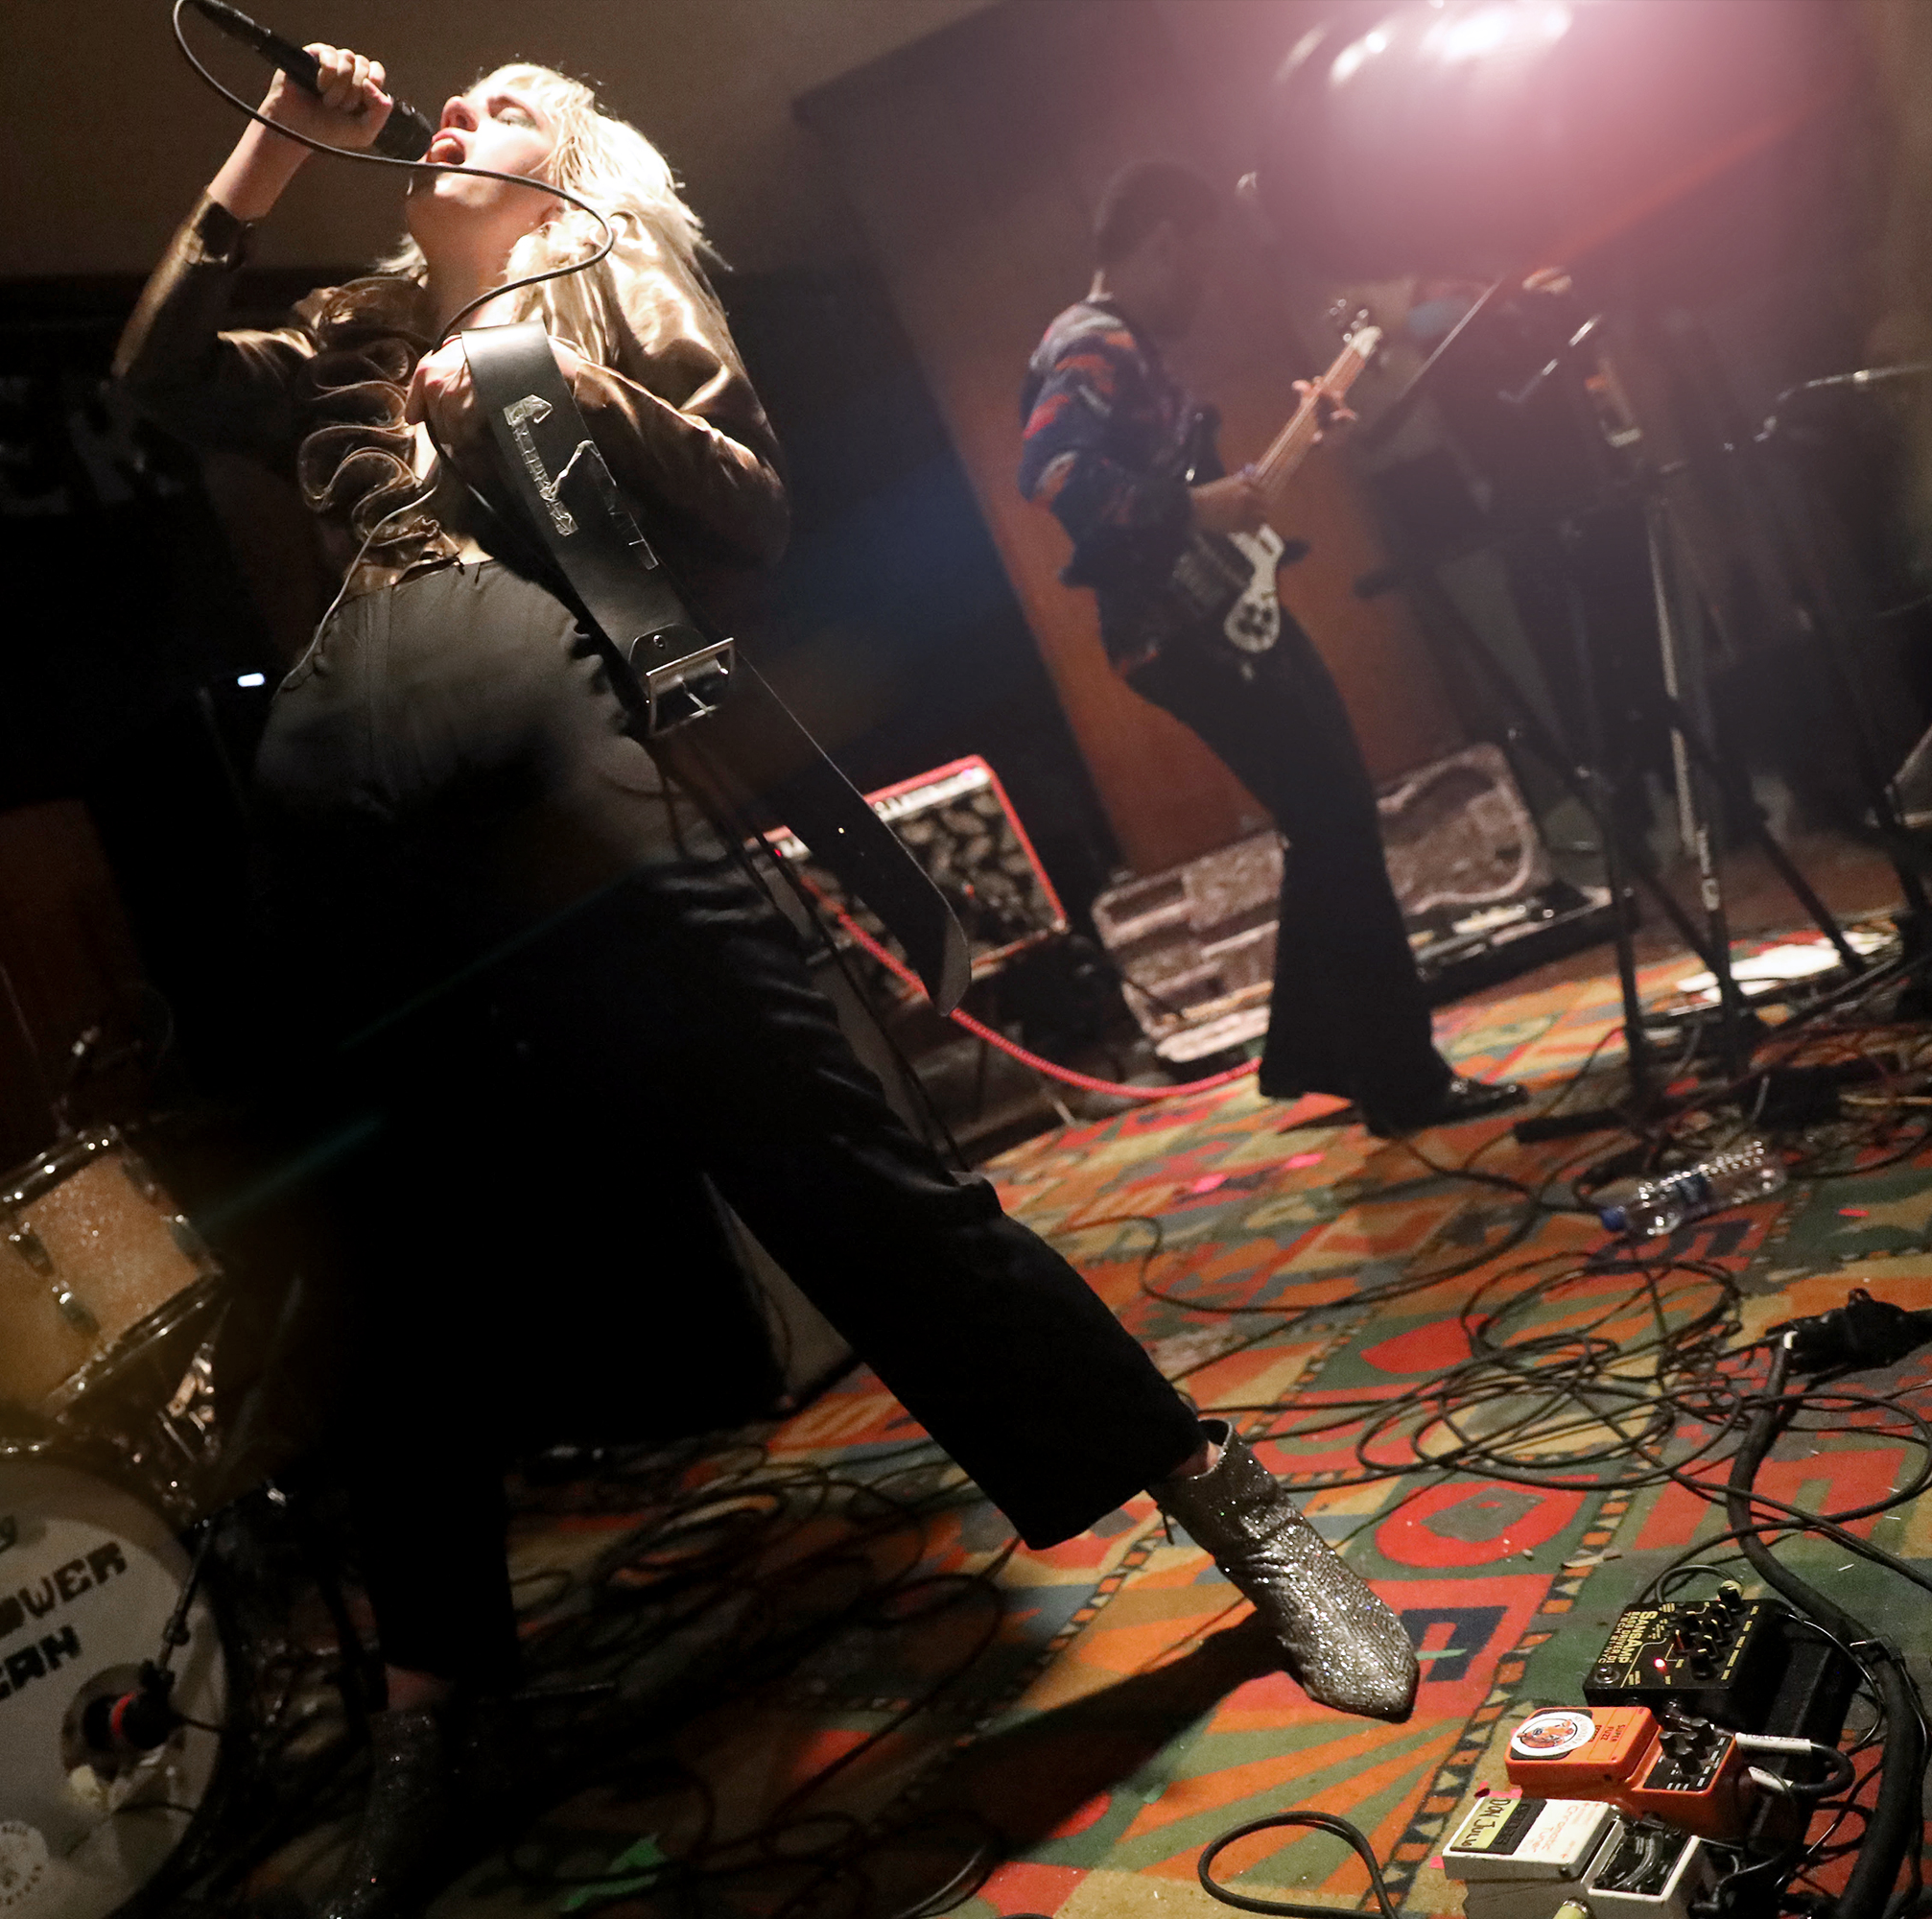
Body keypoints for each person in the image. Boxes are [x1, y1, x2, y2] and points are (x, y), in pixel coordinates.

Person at [114, 57, 1417, 1916]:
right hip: (330, 778)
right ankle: (434, 1707)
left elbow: (748, 515)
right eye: (449, 108)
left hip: (541, 728)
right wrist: (267, 150)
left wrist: (540, 379)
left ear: (576, 173)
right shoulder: (347, 334)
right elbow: (155, 372)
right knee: (385, 1260)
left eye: (506, 107)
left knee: (839, 1159)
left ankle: (1223, 1491)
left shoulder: (614, 305)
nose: (458, 118)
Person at [1018, 159, 1526, 1138]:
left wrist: (1285, 449)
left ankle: (1322, 1052)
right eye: (1200, 262)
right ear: (1165, 240)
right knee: (1333, 814)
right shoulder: (1094, 342)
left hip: (1205, 618)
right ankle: (1400, 1080)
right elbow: (1051, 471)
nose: (1205, 287)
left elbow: (1192, 493)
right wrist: (1195, 506)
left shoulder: (1123, 348)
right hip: (1179, 631)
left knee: (1327, 818)